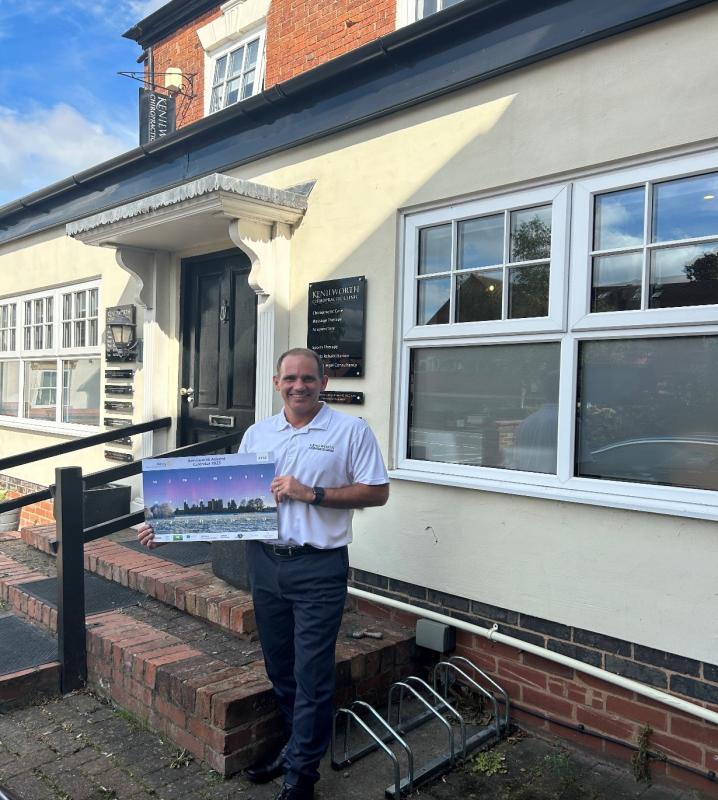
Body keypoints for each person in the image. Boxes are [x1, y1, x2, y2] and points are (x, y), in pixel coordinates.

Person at [138, 348, 389, 800]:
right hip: (265, 564)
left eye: (308, 378)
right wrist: (168, 525)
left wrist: (310, 493)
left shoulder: (350, 431)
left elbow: (377, 492)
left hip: (318, 567)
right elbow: (227, 501)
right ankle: (296, 748)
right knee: (280, 667)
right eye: (290, 378)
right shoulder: (258, 433)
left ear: (323, 382)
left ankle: (301, 777)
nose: (299, 386)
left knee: (312, 672)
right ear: (277, 383)